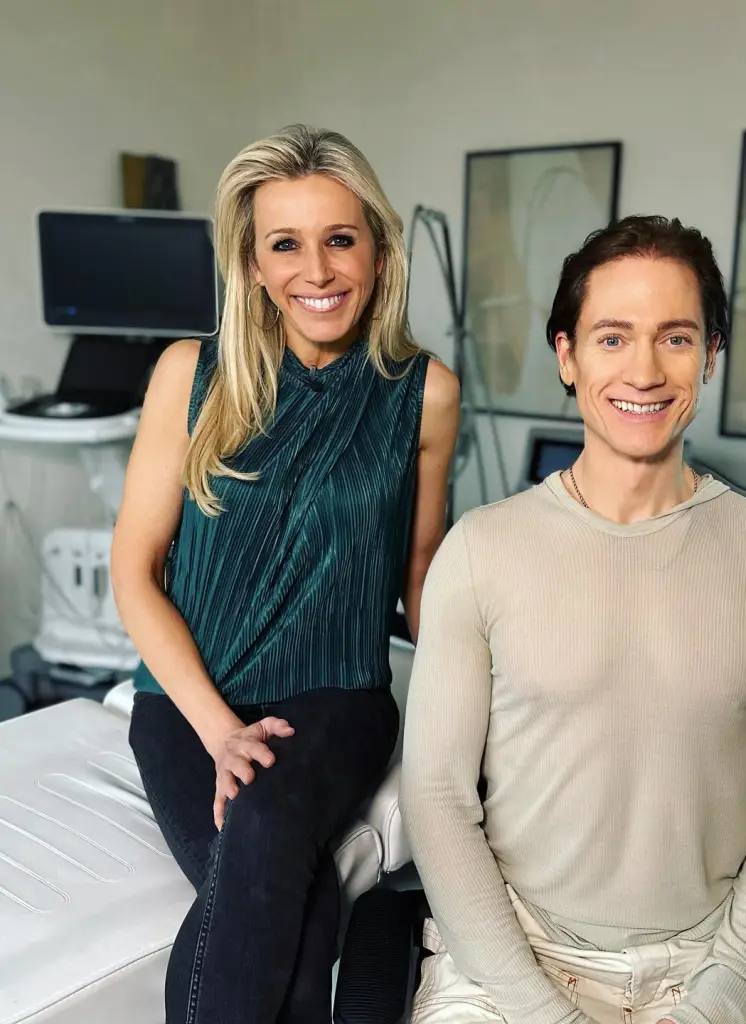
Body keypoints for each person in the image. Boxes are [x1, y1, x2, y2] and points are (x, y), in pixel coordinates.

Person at [400, 215, 746, 1024]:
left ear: (710, 355)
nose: (644, 369)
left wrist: (723, 988)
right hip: (515, 959)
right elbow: (436, 796)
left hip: (721, 958)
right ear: (567, 356)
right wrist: (542, 1009)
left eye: (675, 337)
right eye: (612, 337)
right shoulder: (480, 551)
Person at [110, 124, 460, 1024]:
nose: (318, 270)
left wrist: (480, 714)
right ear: (254, 265)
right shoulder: (190, 376)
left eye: (340, 239)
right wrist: (219, 730)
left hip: (337, 697)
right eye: (286, 244)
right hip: (184, 705)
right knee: (296, 919)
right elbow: (135, 571)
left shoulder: (423, 391)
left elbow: (425, 572)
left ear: (378, 253)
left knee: (266, 826)